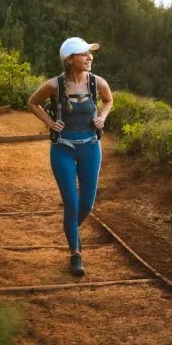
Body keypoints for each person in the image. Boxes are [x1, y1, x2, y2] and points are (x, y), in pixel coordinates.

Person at [28, 37, 113, 277]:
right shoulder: (54, 86)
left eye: (90, 53)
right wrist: (50, 123)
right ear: (69, 59)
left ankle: (70, 230)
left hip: (91, 147)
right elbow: (33, 103)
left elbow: (108, 101)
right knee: (72, 203)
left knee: (87, 204)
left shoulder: (98, 83)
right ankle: (75, 253)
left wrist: (102, 118)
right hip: (62, 149)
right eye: (84, 54)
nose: (90, 58)